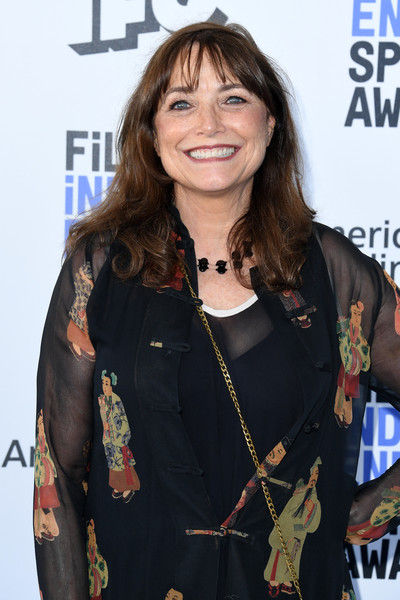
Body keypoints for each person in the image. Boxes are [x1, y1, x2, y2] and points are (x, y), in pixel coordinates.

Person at [34, 21, 400, 600]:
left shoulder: (336, 273)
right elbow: (57, 472)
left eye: (233, 98)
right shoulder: (100, 269)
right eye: (181, 103)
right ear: (153, 134)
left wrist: (361, 514)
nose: (209, 124)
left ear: (270, 122)